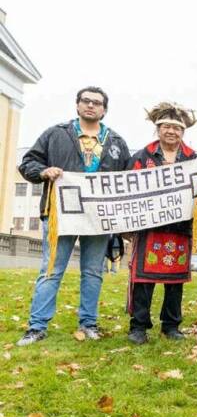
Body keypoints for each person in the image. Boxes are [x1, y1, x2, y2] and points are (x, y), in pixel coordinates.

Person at [17, 86, 130, 346]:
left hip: (98, 217)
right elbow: (28, 163)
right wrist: (44, 171)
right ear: (78, 105)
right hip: (59, 213)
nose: (91, 105)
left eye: (97, 103)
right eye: (86, 101)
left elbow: (130, 178)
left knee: (92, 271)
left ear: (104, 109)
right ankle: (37, 326)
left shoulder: (116, 142)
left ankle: (88, 323)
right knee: (51, 269)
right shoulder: (56, 134)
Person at [126, 102, 197, 345]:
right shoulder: (142, 156)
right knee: (143, 280)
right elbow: (128, 188)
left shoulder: (193, 158)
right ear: (158, 129)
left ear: (183, 132)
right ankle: (138, 326)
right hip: (149, 228)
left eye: (176, 128)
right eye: (166, 127)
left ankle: (171, 325)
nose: (171, 132)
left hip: (179, 229)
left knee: (174, 283)